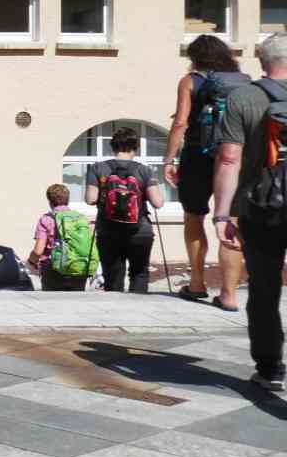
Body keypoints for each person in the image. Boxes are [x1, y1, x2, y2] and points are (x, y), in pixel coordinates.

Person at [209, 33, 287, 392]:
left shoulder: (244, 97)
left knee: (264, 287)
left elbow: (229, 158)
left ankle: (270, 368)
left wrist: (223, 214)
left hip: (261, 206)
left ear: (261, 61)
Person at [167, 35, 247, 310]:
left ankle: (197, 284)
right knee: (231, 222)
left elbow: (180, 122)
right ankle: (229, 295)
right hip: (234, 158)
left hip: (197, 156)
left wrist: (169, 159)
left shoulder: (190, 81)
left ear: (195, 57)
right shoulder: (241, 82)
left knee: (194, 217)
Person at [86, 126, 165, 294]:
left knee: (113, 277)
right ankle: (138, 308)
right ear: (136, 147)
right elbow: (158, 203)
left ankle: (116, 309)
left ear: (113, 146)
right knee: (139, 273)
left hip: (108, 230)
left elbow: (91, 199)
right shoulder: (144, 170)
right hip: (140, 230)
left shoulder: (98, 168)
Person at [31, 183, 96, 291]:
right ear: (68, 200)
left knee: (53, 301)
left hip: (53, 271)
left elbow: (38, 251)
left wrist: (31, 262)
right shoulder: (80, 218)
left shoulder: (46, 219)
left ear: (50, 201)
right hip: (79, 268)